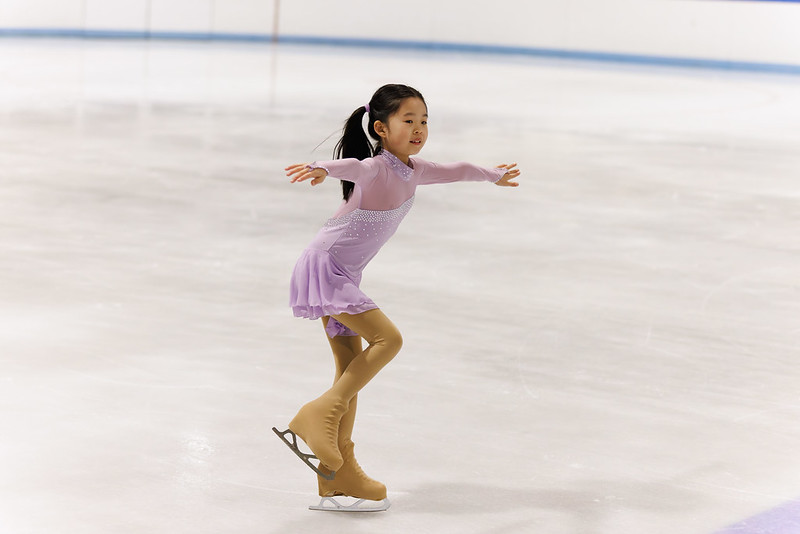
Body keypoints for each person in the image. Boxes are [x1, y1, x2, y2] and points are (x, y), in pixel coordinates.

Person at [275, 83, 520, 509]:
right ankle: (318, 415)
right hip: (326, 265)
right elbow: (349, 166)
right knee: (389, 340)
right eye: (408, 120)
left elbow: (457, 168)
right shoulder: (375, 169)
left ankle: (337, 474)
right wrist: (320, 168)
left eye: (424, 120)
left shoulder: (417, 170)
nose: (419, 128)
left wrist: (492, 174)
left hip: (344, 271)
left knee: (350, 366)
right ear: (381, 128)